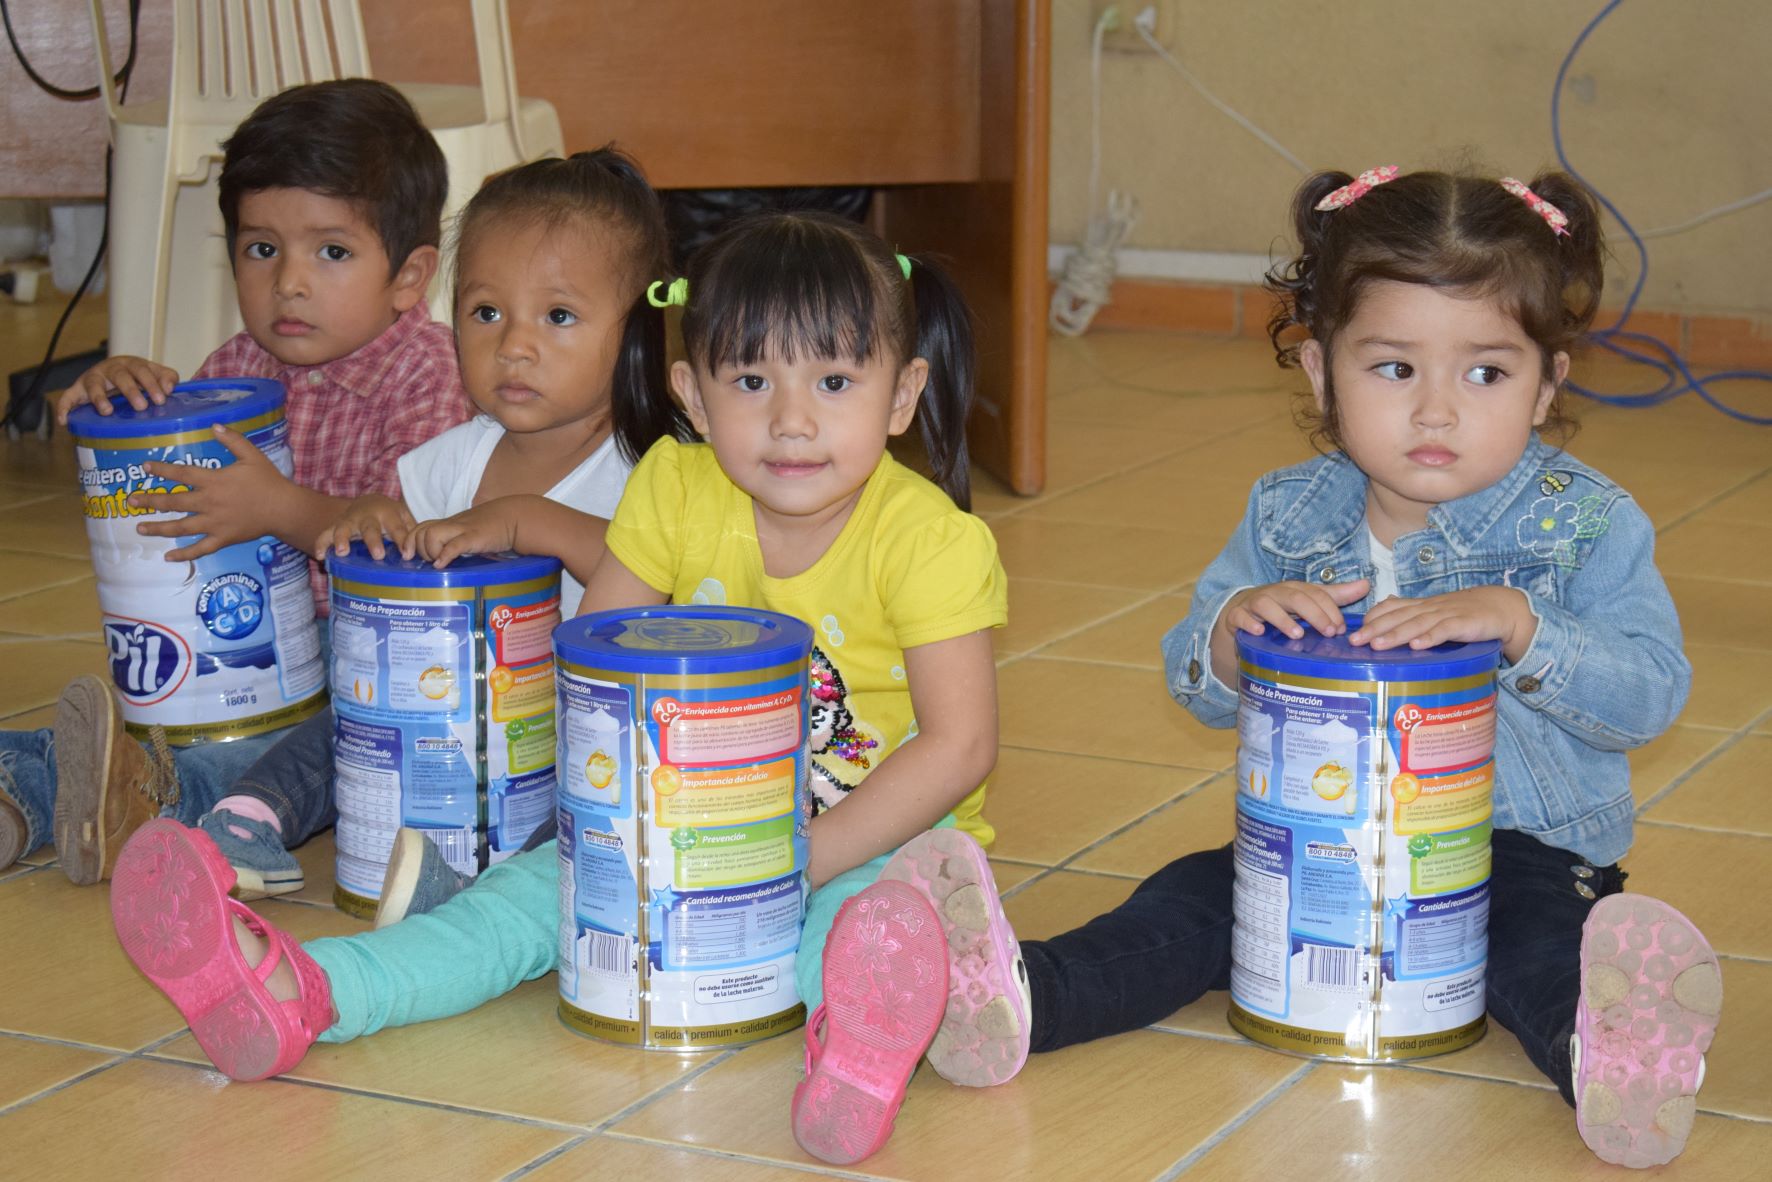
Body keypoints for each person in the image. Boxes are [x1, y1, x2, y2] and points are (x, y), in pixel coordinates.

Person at [108, 211, 1026, 1167]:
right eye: (752, 381)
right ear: (694, 396)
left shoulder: (928, 540)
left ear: (901, 394)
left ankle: (859, 1056)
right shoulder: (676, 484)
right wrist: (592, 832)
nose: (792, 421)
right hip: (669, 828)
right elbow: (598, 662)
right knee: (511, 910)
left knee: (838, 937)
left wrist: (808, 854)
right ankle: (301, 990)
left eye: (833, 383)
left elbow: (959, 747)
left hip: (869, 838)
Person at [887, 167, 1724, 1171]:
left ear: (1546, 384)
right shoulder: (1287, 513)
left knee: (1530, 949)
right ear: (1322, 373)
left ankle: (1611, 1053)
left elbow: (1647, 695)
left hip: (1519, 854)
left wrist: (1520, 624)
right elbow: (1191, 682)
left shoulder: (1585, 524)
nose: (1435, 413)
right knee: (1187, 902)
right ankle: (1015, 995)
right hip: (1314, 851)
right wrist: (1231, 633)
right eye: (1393, 368)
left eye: (1485, 374)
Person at [157, 147, 677, 901]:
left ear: (637, 330)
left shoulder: (658, 467)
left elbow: (651, 582)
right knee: (352, 720)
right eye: (485, 312)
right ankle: (247, 819)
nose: (514, 345)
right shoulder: (447, 463)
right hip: (452, 716)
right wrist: (375, 523)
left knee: (588, 803)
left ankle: (477, 900)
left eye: (558, 316)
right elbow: (411, 572)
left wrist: (525, 520)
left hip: (588, 728)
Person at [0, 79, 471, 884]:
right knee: (157, 718)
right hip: (236, 642)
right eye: (261, 249)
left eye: (331, 251)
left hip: (362, 651)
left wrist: (280, 510)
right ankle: (30, 790)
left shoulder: (427, 374)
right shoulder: (234, 370)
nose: (288, 281)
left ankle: (147, 795)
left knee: (273, 748)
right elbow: (166, 501)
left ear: (409, 275)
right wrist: (121, 406)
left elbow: (410, 547)